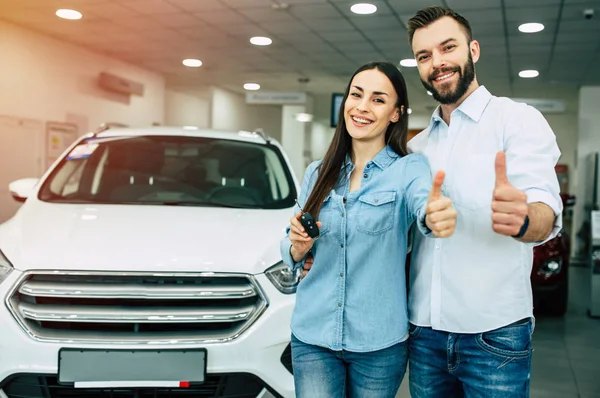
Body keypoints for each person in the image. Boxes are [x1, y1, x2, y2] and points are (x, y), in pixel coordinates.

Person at [404, 6, 563, 398]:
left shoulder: (518, 121)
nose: (437, 63)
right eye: (424, 56)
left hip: (495, 336)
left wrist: (524, 218)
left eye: (448, 48)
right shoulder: (416, 147)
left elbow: (544, 209)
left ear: (473, 50)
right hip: (424, 335)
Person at [279, 61, 458, 398]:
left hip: (378, 344)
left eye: (378, 99)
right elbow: (288, 247)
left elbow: (425, 205)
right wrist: (297, 247)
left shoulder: (409, 169)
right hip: (313, 335)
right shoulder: (317, 173)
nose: (362, 107)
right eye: (356, 95)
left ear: (395, 113)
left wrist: (435, 215)